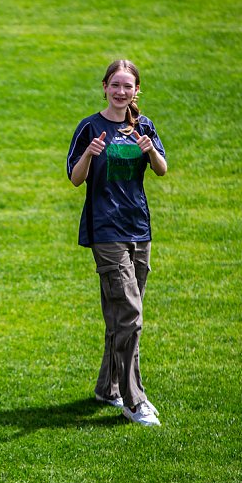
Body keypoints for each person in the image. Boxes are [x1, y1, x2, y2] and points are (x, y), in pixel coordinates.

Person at [65, 60, 168, 427]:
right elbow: (75, 179)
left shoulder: (144, 126)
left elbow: (161, 169)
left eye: (128, 86)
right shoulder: (90, 127)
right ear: (105, 87)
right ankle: (133, 398)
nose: (121, 91)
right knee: (130, 314)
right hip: (105, 230)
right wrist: (90, 154)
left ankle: (107, 387)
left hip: (139, 229)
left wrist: (149, 149)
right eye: (115, 85)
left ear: (136, 91)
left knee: (120, 315)